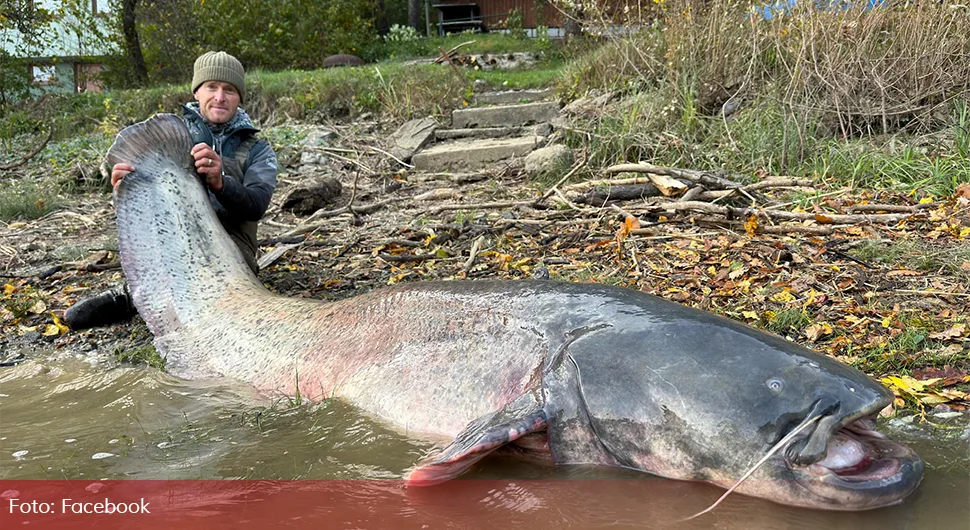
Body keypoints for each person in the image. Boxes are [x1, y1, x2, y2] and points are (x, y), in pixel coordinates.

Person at [64, 51, 279, 330]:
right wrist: (123, 188)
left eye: (229, 90)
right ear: (197, 92)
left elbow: (258, 204)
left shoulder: (258, 149)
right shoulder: (168, 139)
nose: (220, 97)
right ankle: (131, 295)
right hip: (173, 236)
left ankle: (137, 299)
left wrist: (221, 182)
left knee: (221, 288)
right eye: (211, 87)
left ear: (240, 98)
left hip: (233, 250)